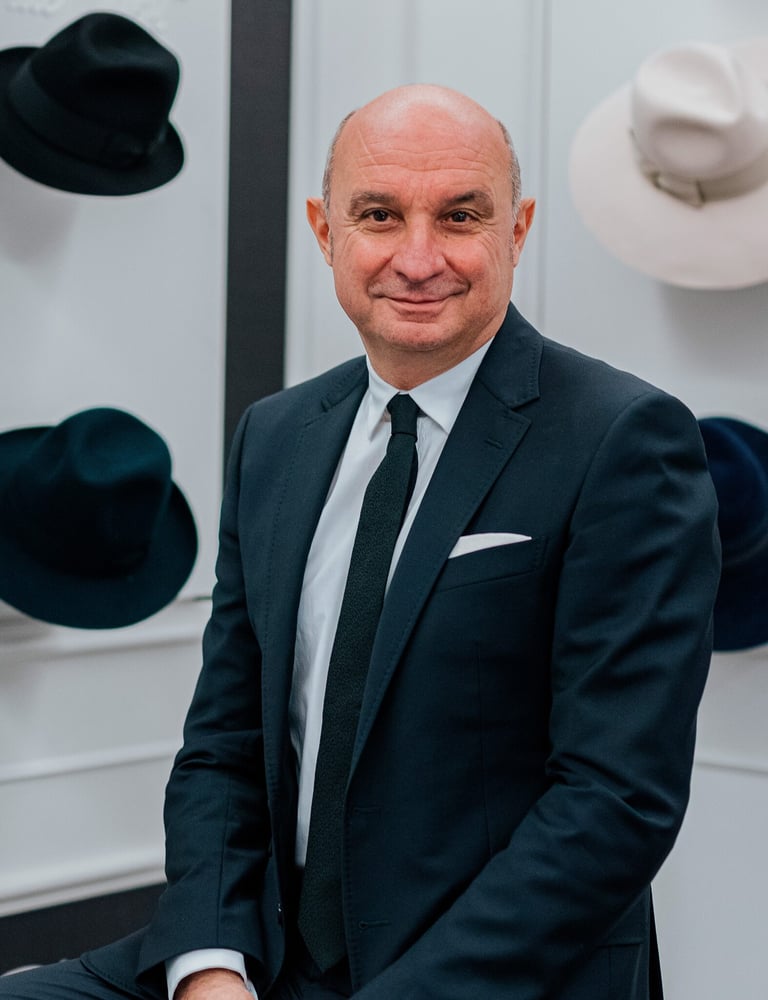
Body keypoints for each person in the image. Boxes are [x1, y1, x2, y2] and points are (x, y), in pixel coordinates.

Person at [0, 84, 720, 1000]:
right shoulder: (275, 434)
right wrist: (210, 964)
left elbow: (615, 802)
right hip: (269, 952)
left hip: (484, 972)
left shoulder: (625, 438)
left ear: (518, 229)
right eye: (379, 215)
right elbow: (223, 743)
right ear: (324, 229)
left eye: (460, 215)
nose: (418, 259)